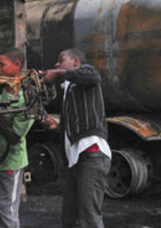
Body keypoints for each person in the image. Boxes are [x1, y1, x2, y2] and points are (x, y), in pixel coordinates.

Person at [41, 49, 111, 228]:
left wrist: (58, 74)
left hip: (92, 155)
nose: (57, 64)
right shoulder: (68, 89)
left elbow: (92, 75)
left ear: (75, 62)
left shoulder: (87, 74)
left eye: (61, 60)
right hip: (75, 160)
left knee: (89, 219)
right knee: (69, 219)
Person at [0, 47, 35, 228]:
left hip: (11, 161)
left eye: (2, 64)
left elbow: (14, 138)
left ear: (17, 65)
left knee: (6, 209)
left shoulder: (28, 95)